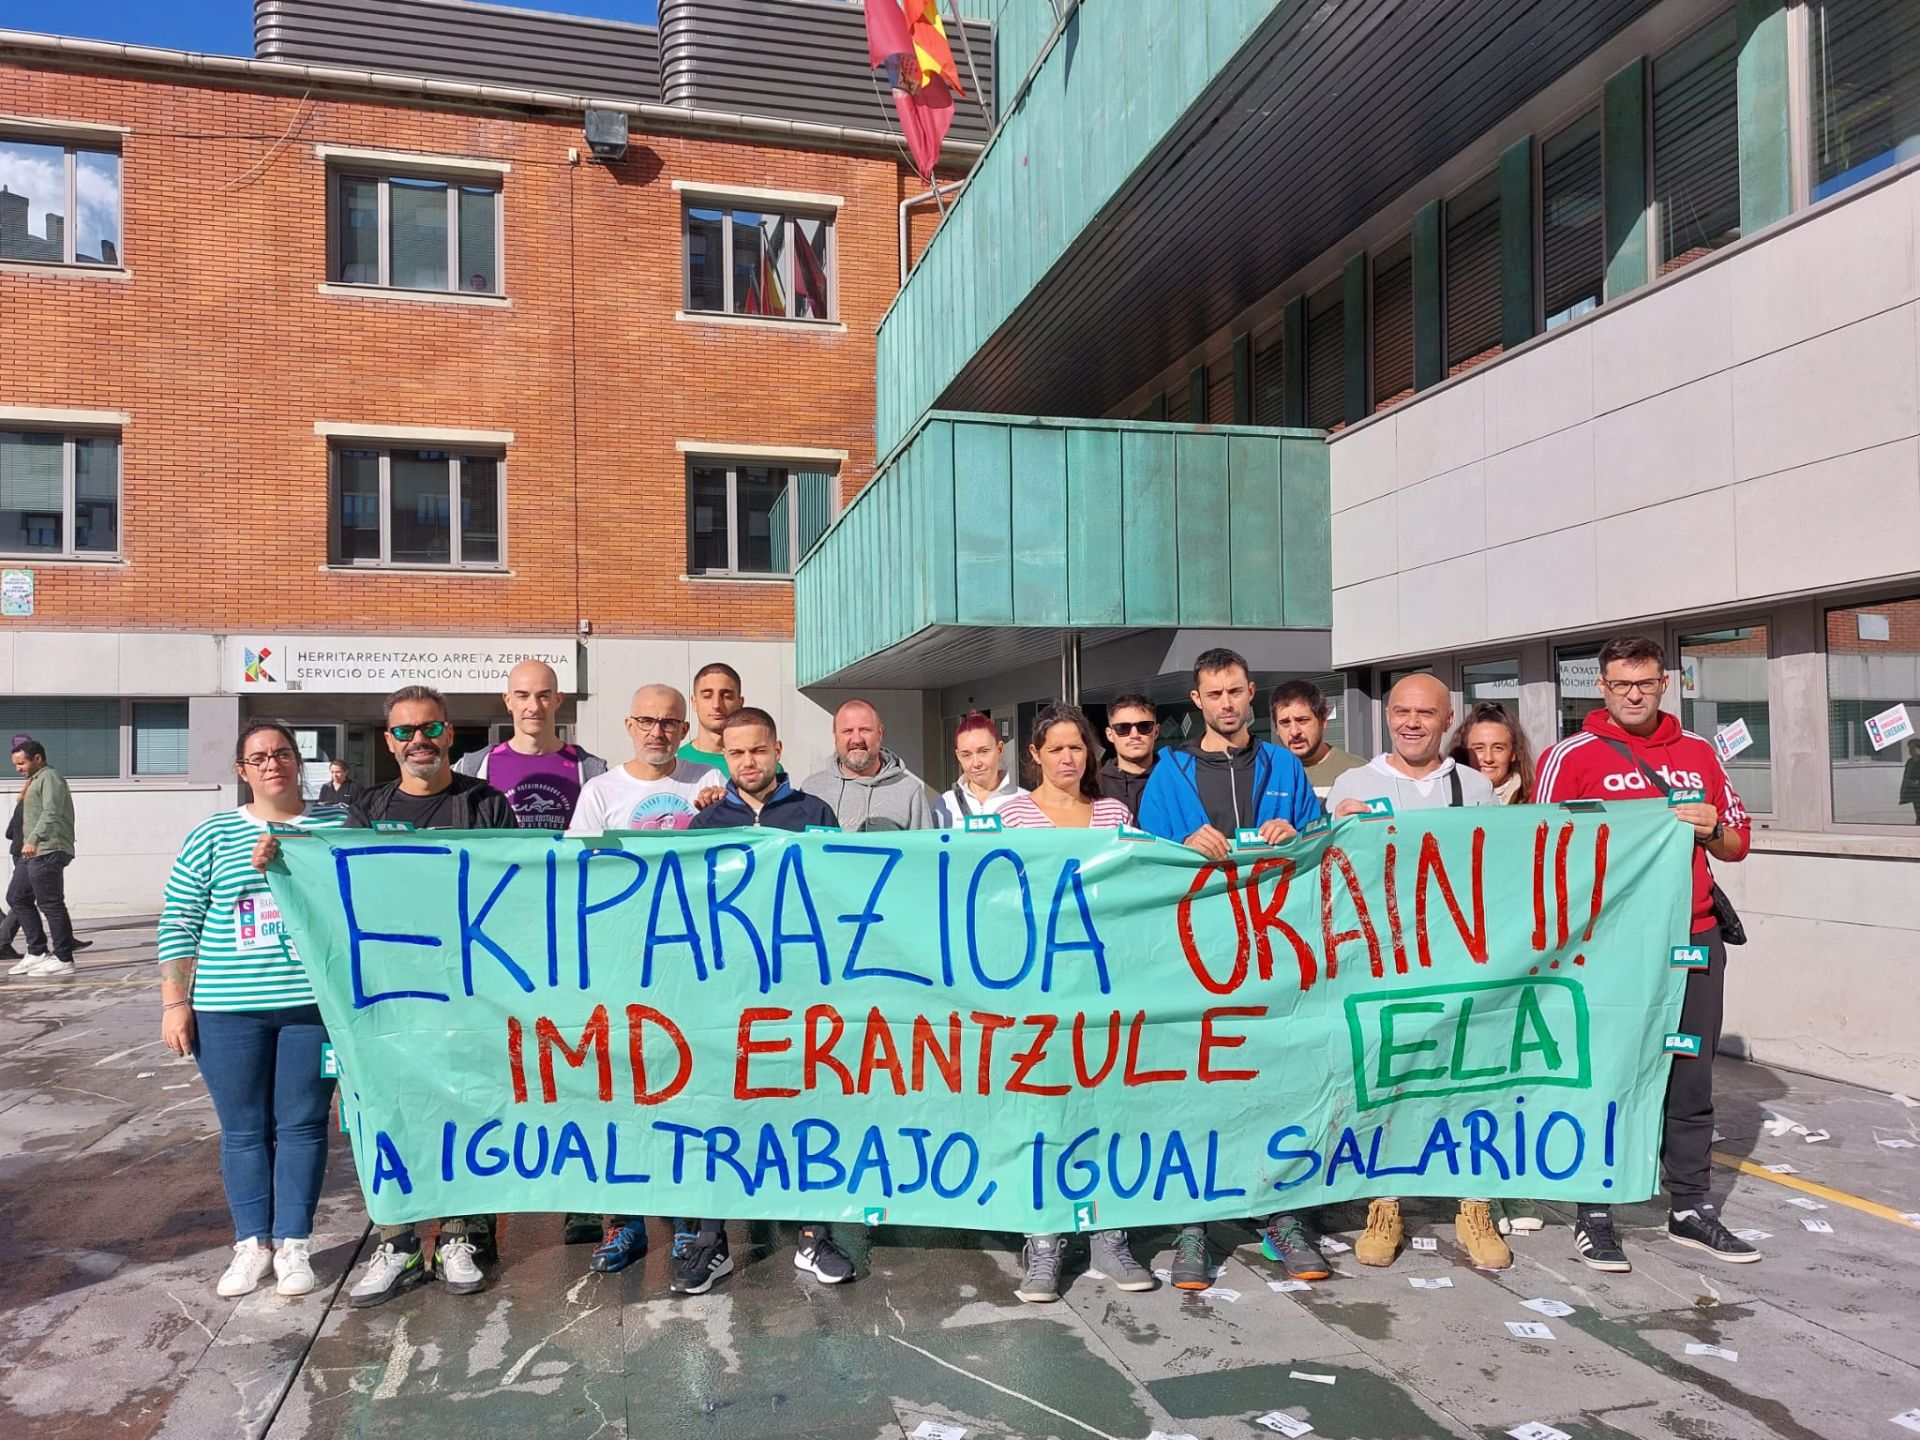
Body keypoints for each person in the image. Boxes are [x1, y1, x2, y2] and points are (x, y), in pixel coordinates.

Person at [1534, 634, 1756, 1271]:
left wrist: (1711, 826)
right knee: (1608, 1073)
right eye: (1621, 684)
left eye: (1646, 682)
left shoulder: (1698, 753)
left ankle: (1690, 1208)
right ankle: (1594, 1214)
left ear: (1666, 684)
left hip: (1694, 936)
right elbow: (1539, 848)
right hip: (1612, 945)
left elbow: (1738, 843)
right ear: (1601, 688)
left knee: (1692, 1077)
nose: (1634, 694)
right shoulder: (1570, 755)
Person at [1134, 647, 1328, 1287]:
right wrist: (1181, 844)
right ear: (1197, 702)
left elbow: (1320, 846)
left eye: (1236, 692)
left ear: (1252, 696)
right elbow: (1142, 865)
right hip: (1198, 961)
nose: (1226, 704)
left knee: (1274, 1085)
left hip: (1274, 959)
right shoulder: (1170, 775)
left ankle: (1278, 1218)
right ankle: (1194, 1225)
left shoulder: (1282, 766)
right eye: (1214, 694)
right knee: (1199, 1087)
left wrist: (1296, 835)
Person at [157, 720, 347, 1299]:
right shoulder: (213, 833)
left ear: (299, 763)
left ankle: (293, 1244)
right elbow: (179, 920)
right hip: (228, 1009)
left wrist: (295, 862)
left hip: (311, 1009)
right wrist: (174, 1003)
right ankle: (251, 1244)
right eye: (259, 757)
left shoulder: (336, 827)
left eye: (283, 754)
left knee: (303, 1125)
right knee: (242, 1130)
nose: (273, 765)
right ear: (242, 770)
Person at [343, 685, 518, 1307]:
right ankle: (396, 1241)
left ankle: (458, 1235)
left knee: (465, 1108)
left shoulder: (487, 804)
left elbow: (515, 895)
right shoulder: (362, 811)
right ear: (389, 741)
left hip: (468, 995)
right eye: (405, 732)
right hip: (389, 994)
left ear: (450, 734)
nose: (419, 741)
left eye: (431, 729)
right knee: (390, 1112)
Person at [1327, 674, 1508, 1270]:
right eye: (1401, 711)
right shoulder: (1353, 783)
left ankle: (1474, 1205)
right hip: (1381, 963)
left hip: (1457, 961)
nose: (1411, 722)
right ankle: (1385, 1203)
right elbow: (1325, 875)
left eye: (1424, 714)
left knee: (1467, 1081)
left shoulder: (1474, 785)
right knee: (1387, 1083)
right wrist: (1337, 826)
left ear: (1447, 719)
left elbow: (1495, 872)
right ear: (1386, 716)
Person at [677, 707, 848, 1295]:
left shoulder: (813, 813)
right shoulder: (704, 825)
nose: (747, 762)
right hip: (724, 995)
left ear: (777, 750)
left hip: (799, 992)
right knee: (719, 1112)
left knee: (805, 1109)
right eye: (735, 753)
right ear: (722, 755)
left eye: (758, 750)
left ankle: (813, 1237)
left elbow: (836, 892)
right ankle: (711, 1241)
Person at [566, 684, 724, 1273]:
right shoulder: (600, 792)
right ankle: (626, 1224)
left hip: (690, 968)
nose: (658, 732)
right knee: (621, 1095)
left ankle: (688, 1224)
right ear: (629, 724)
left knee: (686, 1091)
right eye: (648, 722)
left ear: (685, 730)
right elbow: (576, 877)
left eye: (670, 723)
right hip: (621, 967)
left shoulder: (708, 788)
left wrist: (718, 814)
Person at [998, 704, 1152, 1302]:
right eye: (1056, 748)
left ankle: (1109, 1236)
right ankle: (1044, 1241)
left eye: (1078, 748)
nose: (1068, 758)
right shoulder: (1011, 816)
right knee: (1043, 1112)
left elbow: (1143, 883)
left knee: (1105, 1107)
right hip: (1037, 986)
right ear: (1034, 754)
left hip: (1105, 984)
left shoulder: (1114, 813)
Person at [453, 659, 606, 831]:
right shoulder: (472, 768)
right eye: (522, 696)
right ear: (508, 700)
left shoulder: (591, 772)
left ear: (558, 700)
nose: (534, 707)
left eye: (543, 696)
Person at [4, 738, 79, 978]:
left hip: (48, 848)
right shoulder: (34, 780)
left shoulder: (50, 777)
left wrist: (33, 838)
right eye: (15, 764)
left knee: (50, 903)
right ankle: (36, 952)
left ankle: (64, 957)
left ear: (38, 758)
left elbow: (51, 812)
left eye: (22, 763)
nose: (19, 769)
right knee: (17, 897)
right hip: (34, 851)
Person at [800, 700, 936, 831]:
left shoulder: (909, 791)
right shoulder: (811, 789)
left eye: (865, 730)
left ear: (880, 733)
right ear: (835, 736)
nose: (857, 739)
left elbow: (924, 852)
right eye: (847, 731)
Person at [1270, 679, 1365, 801]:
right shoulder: (1266, 775)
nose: (1294, 732)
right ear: (1276, 728)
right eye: (1285, 723)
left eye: (1302, 720)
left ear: (1323, 721)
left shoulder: (1357, 771)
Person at [931, 712, 1024, 825]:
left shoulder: (1024, 802)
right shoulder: (945, 804)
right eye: (966, 755)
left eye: (983, 752)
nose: (976, 763)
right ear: (958, 756)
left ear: (999, 749)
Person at [1449, 700, 1533, 805]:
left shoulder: (1533, 799)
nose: (1488, 758)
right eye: (1479, 748)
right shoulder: (1447, 797)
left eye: (1498, 748)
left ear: (1514, 753)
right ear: (1465, 751)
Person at [1098, 693, 1160, 815]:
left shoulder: (1174, 777)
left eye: (1144, 726)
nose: (1135, 735)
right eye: (1123, 728)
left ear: (1156, 731)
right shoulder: (1095, 786)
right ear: (1110, 734)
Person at [678, 662, 743, 768]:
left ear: (740, 703)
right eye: (707, 696)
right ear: (694, 702)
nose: (716, 705)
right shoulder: (675, 764)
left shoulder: (760, 767)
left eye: (726, 696)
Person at [1901, 738, 1920, 825]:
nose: (1910, 751)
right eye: (1909, 749)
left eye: (1912, 748)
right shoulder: (1910, 762)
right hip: (1914, 792)